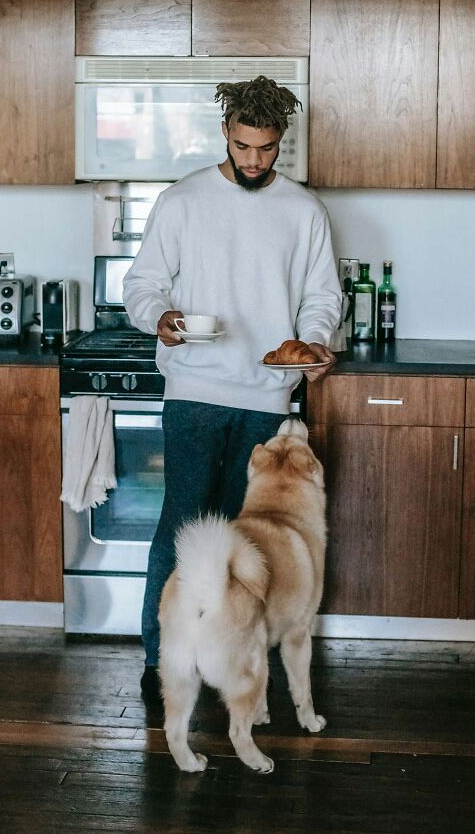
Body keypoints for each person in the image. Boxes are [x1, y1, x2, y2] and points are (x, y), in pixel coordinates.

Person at [123, 75, 342, 704]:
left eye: (266, 148)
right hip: (194, 391)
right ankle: (162, 662)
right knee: (184, 528)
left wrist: (313, 345)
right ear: (225, 132)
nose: (253, 159)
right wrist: (159, 317)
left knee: (247, 540)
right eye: (243, 146)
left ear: (281, 142)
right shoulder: (183, 200)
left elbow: (321, 297)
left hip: (267, 395)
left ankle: (227, 657)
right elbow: (142, 284)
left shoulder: (304, 211)